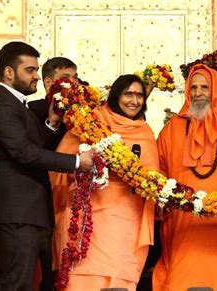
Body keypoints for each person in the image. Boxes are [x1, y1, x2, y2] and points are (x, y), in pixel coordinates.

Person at [0, 41, 93, 291]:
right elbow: (24, 153)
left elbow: (29, 146)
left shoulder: (16, 103)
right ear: (8, 72)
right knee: (16, 284)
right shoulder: (2, 104)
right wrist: (77, 162)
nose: (37, 76)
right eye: (30, 70)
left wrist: (51, 122)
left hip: (23, 212)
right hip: (15, 213)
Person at [51, 74, 158, 290]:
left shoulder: (144, 132)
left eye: (139, 95)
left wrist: (133, 173)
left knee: (118, 272)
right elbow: (60, 166)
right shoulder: (91, 123)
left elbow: (153, 177)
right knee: (82, 275)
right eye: (128, 94)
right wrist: (89, 163)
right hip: (88, 216)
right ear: (116, 95)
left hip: (126, 218)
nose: (134, 101)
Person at [153, 64, 217, 291]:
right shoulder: (172, 128)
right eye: (193, 87)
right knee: (180, 278)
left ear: (215, 89)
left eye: (204, 87)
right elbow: (160, 170)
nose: (198, 93)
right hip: (182, 222)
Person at [28, 57, 79, 151]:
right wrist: (52, 122)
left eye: (75, 77)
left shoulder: (84, 109)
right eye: (65, 78)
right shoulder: (34, 109)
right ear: (48, 82)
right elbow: (33, 151)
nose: (73, 82)